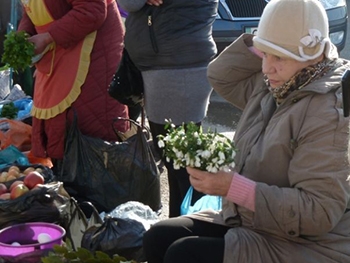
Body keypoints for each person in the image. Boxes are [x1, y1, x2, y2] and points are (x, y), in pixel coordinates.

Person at [142, 0, 350, 262]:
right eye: (265, 54)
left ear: (311, 54)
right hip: (257, 221)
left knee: (183, 255)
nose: (266, 68)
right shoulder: (282, 80)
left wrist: (233, 188)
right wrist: (266, 41)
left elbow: (318, 212)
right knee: (158, 237)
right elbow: (219, 75)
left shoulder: (328, 111)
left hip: (308, 243)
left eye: (279, 57)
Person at [117, 0, 219, 217]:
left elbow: (129, 3)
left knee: (183, 165)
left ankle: (191, 232)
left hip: (174, 66)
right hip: (175, 62)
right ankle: (180, 230)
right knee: (178, 161)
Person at [17, 0, 129, 169]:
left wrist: (48, 37)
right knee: (60, 131)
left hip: (92, 53)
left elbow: (92, 10)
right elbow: (30, 11)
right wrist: (24, 35)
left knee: (90, 128)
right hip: (57, 52)